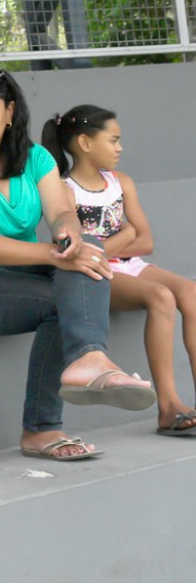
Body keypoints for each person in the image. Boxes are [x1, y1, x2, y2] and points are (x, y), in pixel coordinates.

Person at [0, 65, 156, 462]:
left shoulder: (36, 158)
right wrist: (54, 254)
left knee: (90, 247)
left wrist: (69, 234)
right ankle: (45, 425)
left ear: (9, 112)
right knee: (61, 299)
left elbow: (60, 212)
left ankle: (89, 359)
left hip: (14, 270)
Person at [44, 105, 196, 436]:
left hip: (129, 265)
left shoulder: (121, 182)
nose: (120, 148)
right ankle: (169, 406)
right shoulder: (65, 190)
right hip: (94, 275)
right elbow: (80, 253)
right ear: (85, 143)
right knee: (161, 296)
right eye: (113, 140)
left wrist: (120, 241)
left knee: (191, 292)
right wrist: (125, 234)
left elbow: (146, 242)